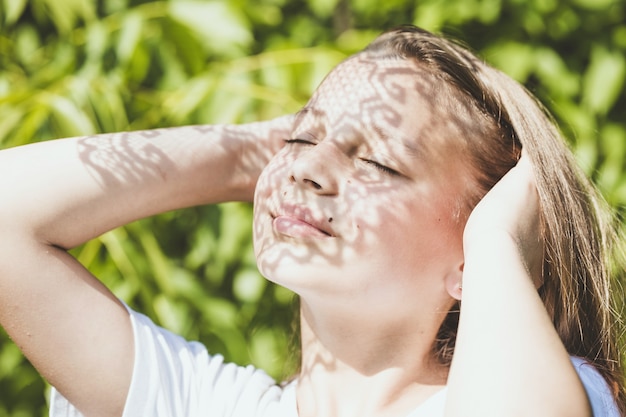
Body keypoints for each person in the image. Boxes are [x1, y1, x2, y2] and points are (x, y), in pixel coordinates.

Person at [0, 25, 623, 417]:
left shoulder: (539, 388)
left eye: (379, 161)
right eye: (302, 137)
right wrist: (253, 153)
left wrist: (495, 243)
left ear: (470, 259)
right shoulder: (200, 403)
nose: (307, 168)